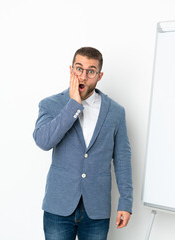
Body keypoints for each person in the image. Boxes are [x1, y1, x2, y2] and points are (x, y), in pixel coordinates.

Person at [33, 47, 133, 240]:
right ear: (71, 70)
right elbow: (43, 141)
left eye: (91, 71)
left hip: (96, 210)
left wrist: (126, 202)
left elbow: (122, 160)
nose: (84, 76)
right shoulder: (50, 104)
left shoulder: (116, 112)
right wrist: (73, 105)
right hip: (59, 207)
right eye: (79, 69)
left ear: (99, 75)